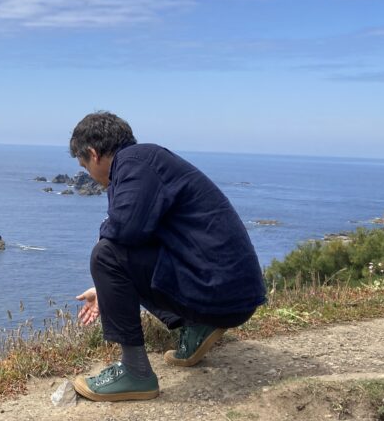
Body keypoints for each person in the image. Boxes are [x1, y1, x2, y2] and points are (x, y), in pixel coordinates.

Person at [69, 111, 266, 402]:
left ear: (94, 154)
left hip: (220, 292)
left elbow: (123, 231)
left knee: (105, 254)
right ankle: (198, 325)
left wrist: (108, 271)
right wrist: (106, 289)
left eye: (85, 167)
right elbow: (139, 238)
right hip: (230, 291)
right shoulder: (145, 162)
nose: (90, 176)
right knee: (114, 252)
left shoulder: (135, 163)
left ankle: (135, 372)